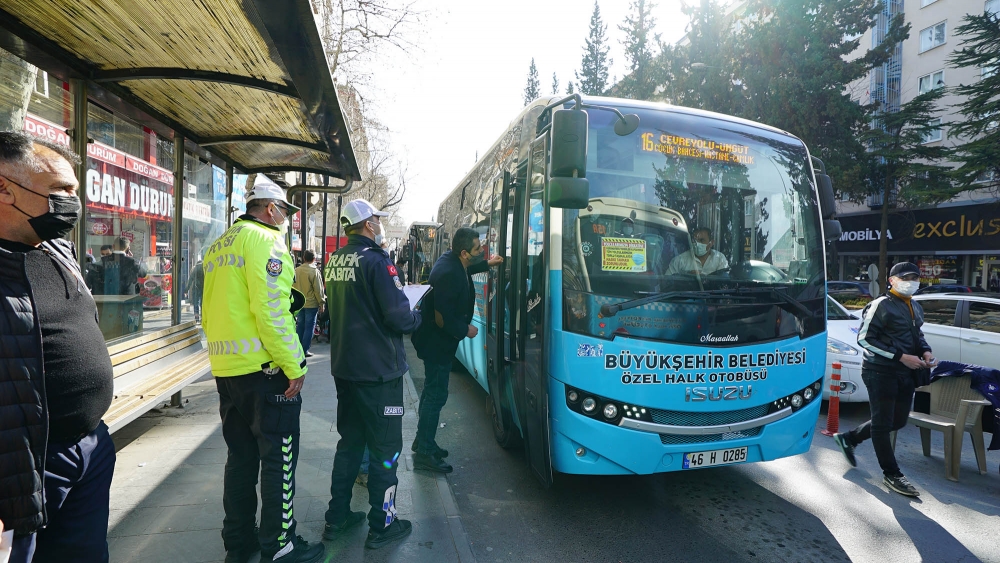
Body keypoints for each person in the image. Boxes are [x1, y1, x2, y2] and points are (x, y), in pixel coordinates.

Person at [0, 131, 116, 562]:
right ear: (4, 188)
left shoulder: (57, 249)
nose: (73, 201)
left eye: (75, 190)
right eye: (60, 190)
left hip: (88, 446)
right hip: (21, 470)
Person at [201, 177, 324, 563]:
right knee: (279, 458)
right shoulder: (267, 241)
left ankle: (239, 542)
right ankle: (280, 545)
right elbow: (271, 313)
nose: (286, 218)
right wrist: (295, 365)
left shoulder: (219, 244)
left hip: (227, 369)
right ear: (270, 208)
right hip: (265, 371)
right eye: (285, 211)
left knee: (239, 459)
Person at [323, 199, 421, 549]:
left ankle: (337, 518)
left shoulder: (335, 261)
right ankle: (384, 523)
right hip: (380, 375)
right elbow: (398, 317)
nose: (380, 224)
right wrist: (416, 315)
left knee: (349, 444)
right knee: (386, 449)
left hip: (346, 371)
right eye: (377, 220)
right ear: (367, 224)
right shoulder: (379, 262)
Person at [833, 262, 938, 497]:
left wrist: (926, 352)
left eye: (914, 277)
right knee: (882, 423)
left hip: (905, 374)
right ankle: (892, 474)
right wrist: (901, 357)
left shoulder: (915, 307)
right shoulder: (880, 305)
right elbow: (864, 339)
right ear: (891, 280)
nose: (910, 281)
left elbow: (916, 335)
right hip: (879, 371)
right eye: (905, 277)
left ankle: (849, 438)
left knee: (897, 421)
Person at [410, 227, 502, 473]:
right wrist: (465, 330)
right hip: (437, 344)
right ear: (464, 252)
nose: (481, 250)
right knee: (436, 396)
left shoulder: (452, 261)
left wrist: (487, 264)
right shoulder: (450, 272)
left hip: (435, 342)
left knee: (432, 394)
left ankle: (423, 441)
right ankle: (424, 454)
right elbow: (442, 319)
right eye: (477, 249)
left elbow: (467, 269)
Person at [292, 249, 325, 357]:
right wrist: (321, 303)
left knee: (300, 325)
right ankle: (305, 349)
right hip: (311, 303)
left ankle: (297, 348)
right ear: (314, 259)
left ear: (304, 258)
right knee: (309, 327)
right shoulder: (314, 271)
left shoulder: (296, 270)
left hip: (299, 302)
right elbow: (318, 289)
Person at [186, 254, 205, 322]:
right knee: (203, 302)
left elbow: (190, 279)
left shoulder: (194, 268)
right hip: (204, 287)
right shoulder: (204, 267)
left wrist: (186, 289)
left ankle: (196, 316)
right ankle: (203, 316)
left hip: (196, 287)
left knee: (195, 302)